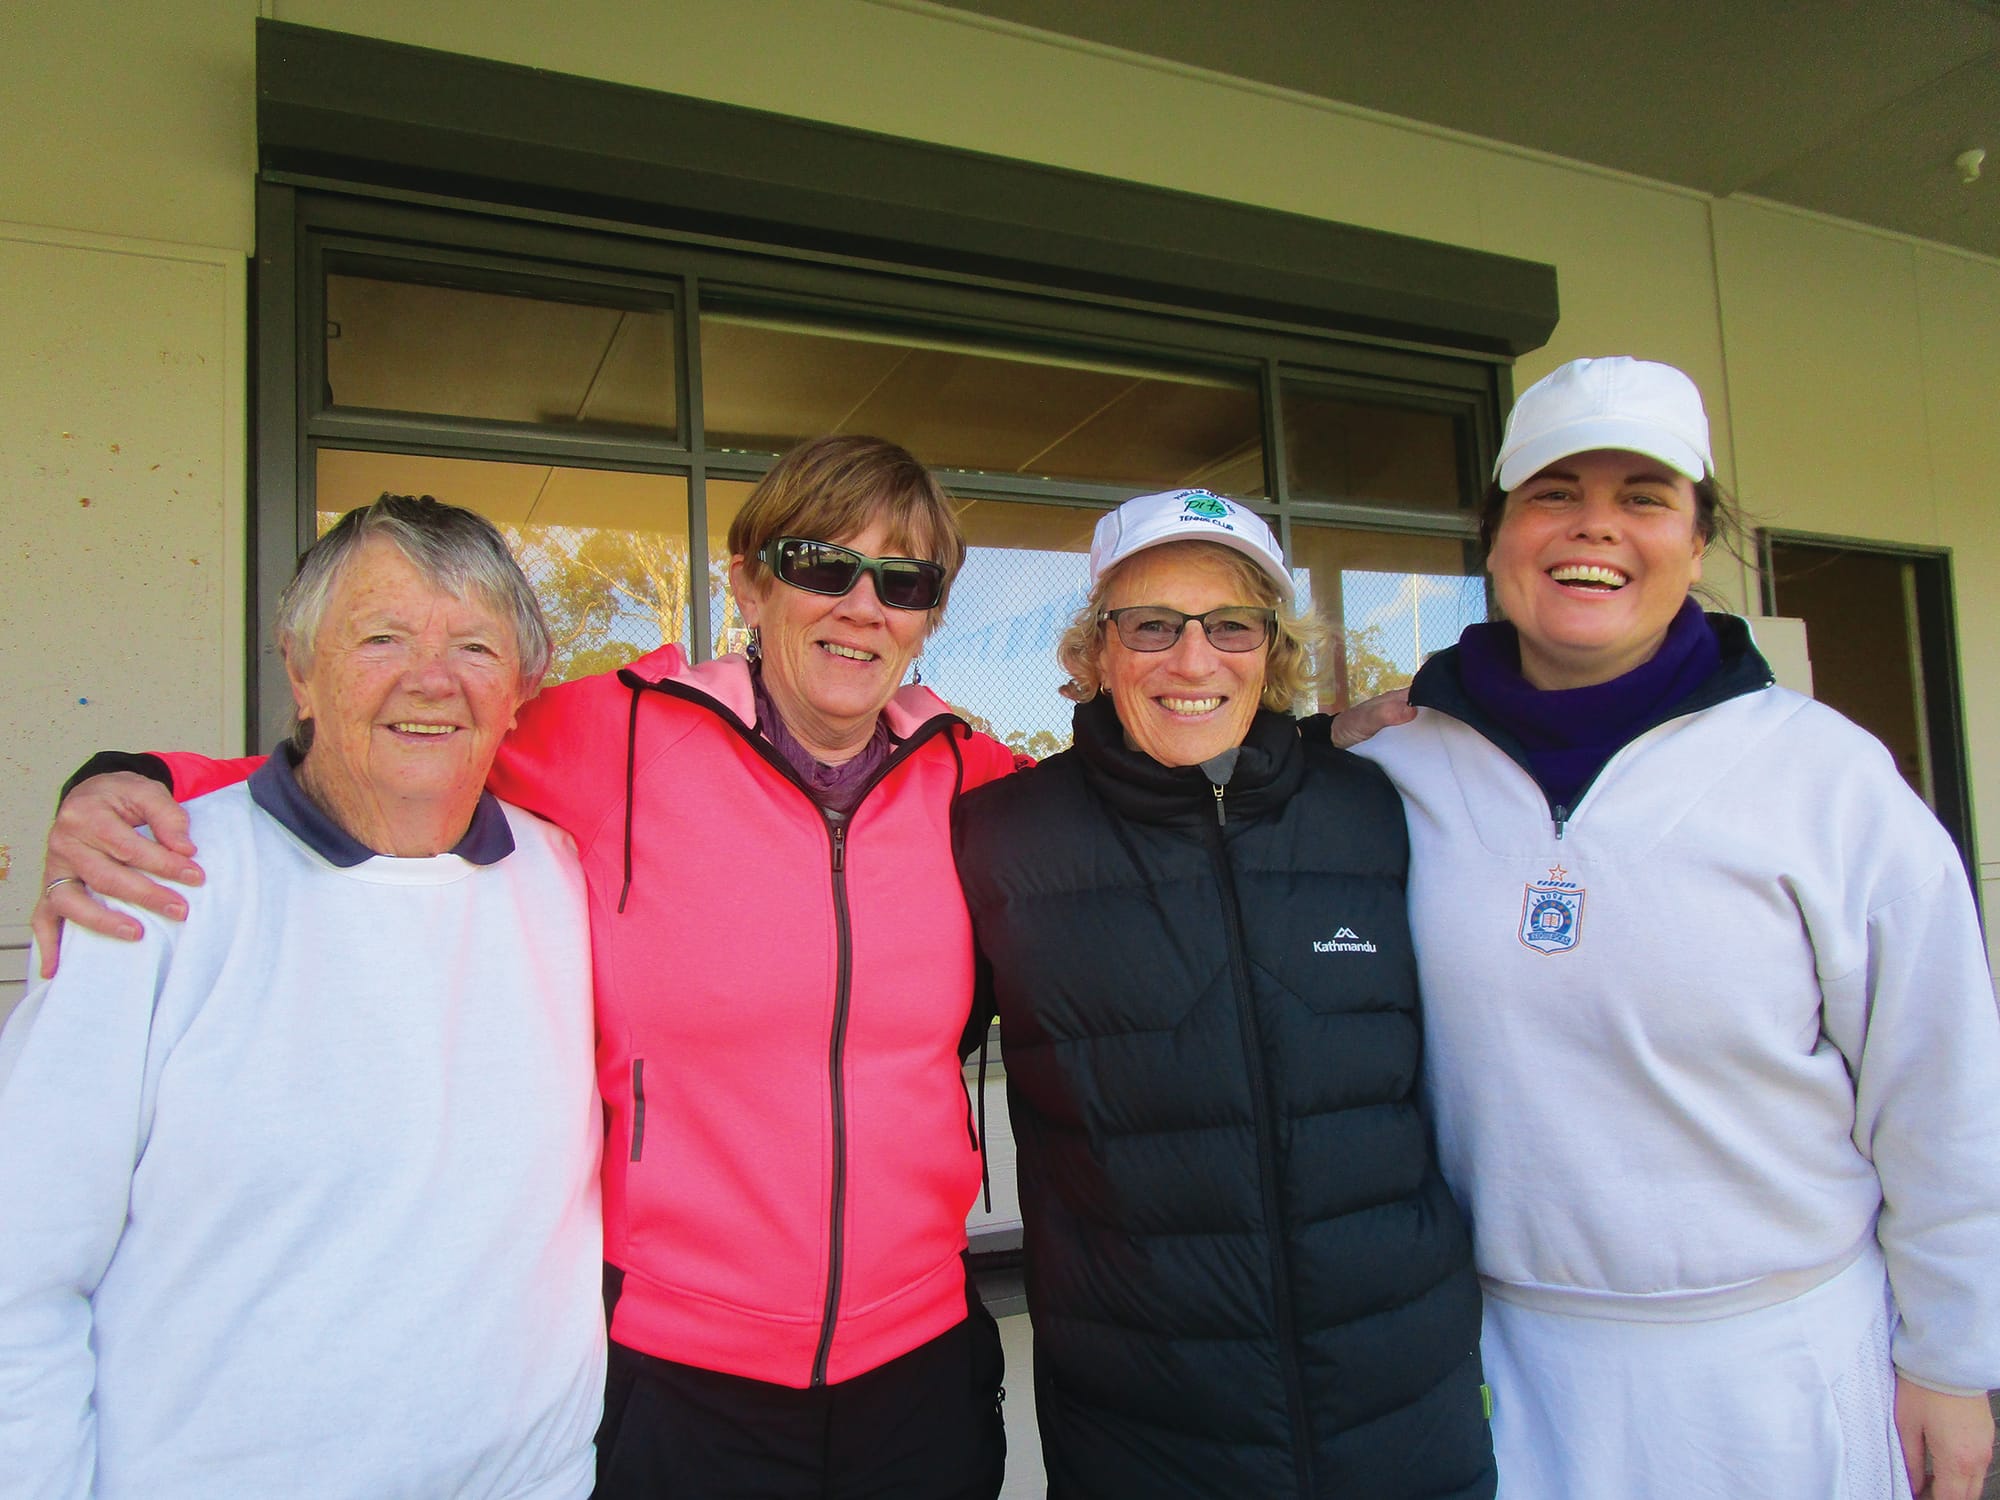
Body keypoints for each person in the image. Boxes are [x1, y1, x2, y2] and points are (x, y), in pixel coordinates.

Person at [33, 436, 1015, 1499]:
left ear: (926, 616)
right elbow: (405, 739)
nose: (861, 604)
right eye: (822, 563)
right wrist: (131, 781)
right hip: (678, 1376)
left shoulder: (973, 777)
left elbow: (1112, 826)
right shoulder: (621, 733)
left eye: (903, 580)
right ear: (748, 582)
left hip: (918, 1361)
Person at [1339, 356, 2000, 1499]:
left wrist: (1950, 1359)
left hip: (1776, 1365)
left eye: (1643, 496)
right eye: (1554, 491)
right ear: (1495, 536)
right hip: (1498, 1362)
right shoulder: (1386, 773)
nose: (1592, 526)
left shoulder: (1825, 779)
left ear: (1695, 545)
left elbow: (1940, 1090)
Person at [0, 496, 604, 1498]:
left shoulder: (564, 880)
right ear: (300, 672)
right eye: (381, 638)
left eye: (473, 647)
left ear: (517, 694)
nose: (430, 679)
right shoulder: (148, 888)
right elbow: (20, 1271)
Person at [952, 489, 1497, 1498]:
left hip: (1403, 1419)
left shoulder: (1380, 812)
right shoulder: (999, 841)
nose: (1192, 660)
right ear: (1095, 649)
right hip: (1145, 1433)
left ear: (1272, 647)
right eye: (1150, 625)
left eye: (1230, 625)